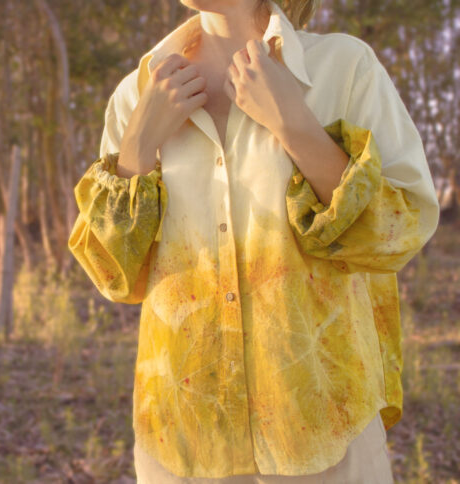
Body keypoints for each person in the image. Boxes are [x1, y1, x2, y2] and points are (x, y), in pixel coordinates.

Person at [67, 0, 440, 482]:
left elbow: (402, 228)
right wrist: (137, 149)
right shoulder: (136, 93)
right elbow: (113, 272)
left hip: (325, 432)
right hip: (183, 444)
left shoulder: (343, 68)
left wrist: (295, 124)